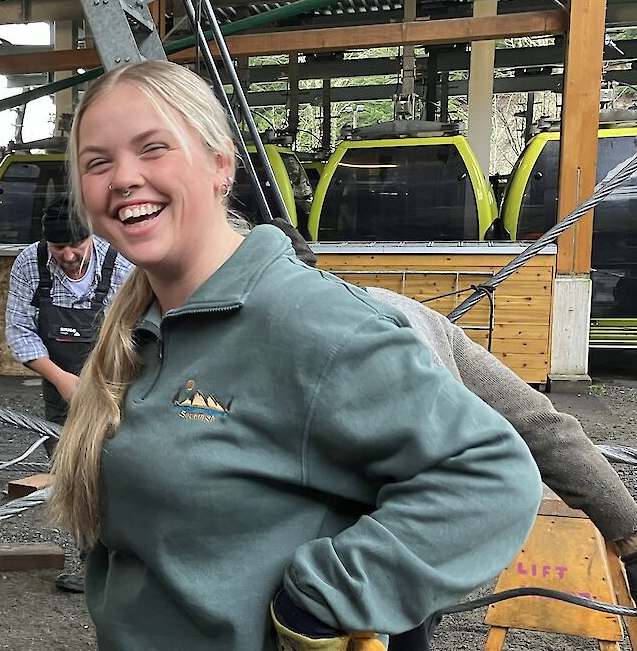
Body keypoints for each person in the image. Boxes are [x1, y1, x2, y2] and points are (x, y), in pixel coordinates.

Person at [50, 59, 544, 651]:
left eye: (153, 149)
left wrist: (319, 601)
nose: (124, 177)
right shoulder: (140, 325)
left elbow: (491, 475)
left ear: (220, 165)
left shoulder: (308, 321)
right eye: (97, 162)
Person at [263, 217, 637, 640]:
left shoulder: (356, 325)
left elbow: (537, 433)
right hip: (401, 556)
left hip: (351, 560)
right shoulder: (404, 310)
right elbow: (545, 428)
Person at [4, 195, 133, 592]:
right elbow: (19, 330)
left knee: (118, 473)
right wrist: (61, 378)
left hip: (114, 385)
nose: (69, 255)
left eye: (76, 246)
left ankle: (127, 567)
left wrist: (99, 385)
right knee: (71, 475)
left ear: (90, 236)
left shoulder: (120, 264)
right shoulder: (30, 263)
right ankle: (90, 566)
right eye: (59, 248)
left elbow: (133, 332)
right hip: (60, 387)